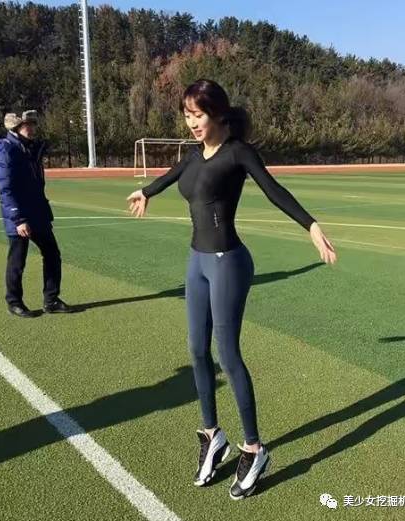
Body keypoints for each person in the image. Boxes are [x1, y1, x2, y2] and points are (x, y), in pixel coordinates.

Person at [127, 79, 337, 500]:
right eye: (187, 115)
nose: (191, 123)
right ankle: (212, 435)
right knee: (196, 350)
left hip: (228, 263)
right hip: (197, 262)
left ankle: (254, 449)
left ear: (219, 114)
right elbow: (172, 175)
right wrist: (146, 192)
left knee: (228, 354)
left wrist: (311, 226)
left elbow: (274, 190)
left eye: (198, 115)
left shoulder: (238, 152)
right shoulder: (193, 154)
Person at [0, 110, 73, 317]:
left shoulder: (30, 148)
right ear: (16, 127)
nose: (31, 128)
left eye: (33, 124)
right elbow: (5, 188)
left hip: (38, 212)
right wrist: (18, 219)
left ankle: (51, 299)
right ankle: (14, 302)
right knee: (17, 261)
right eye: (27, 125)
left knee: (52, 254)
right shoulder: (6, 149)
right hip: (19, 216)